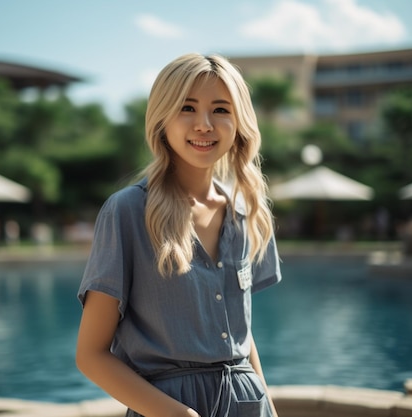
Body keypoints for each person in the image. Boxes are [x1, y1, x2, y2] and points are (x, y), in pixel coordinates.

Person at [76, 53, 282, 417]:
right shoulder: (126, 212)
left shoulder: (247, 212)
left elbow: (242, 338)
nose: (204, 124)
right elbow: (90, 355)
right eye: (187, 108)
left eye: (220, 110)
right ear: (162, 119)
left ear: (239, 122)